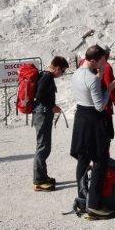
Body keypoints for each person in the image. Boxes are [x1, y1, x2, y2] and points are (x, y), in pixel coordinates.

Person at [71, 44, 115, 217]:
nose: (104, 62)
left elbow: (86, 89)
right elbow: (100, 106)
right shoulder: (92, 79)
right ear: (93, 60)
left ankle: (83, 197)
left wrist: (98, 79)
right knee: (100, 161)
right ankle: (94, 204)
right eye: (102, 60)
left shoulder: (77, 72)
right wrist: (110, 89)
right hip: (94, 120)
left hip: (81, 118)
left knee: (83, 159)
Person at [32, 56, 69, 191]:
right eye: (63, 71)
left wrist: (52, 105)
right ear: (58, 68)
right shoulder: (47, 77)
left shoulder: (45, 75)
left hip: (42, 113)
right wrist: (51, 106)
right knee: (43, 147)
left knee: (44, 146)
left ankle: (43, 176)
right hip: (42, 114)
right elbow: (40, 95)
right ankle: (39, 180)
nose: (62, 74)